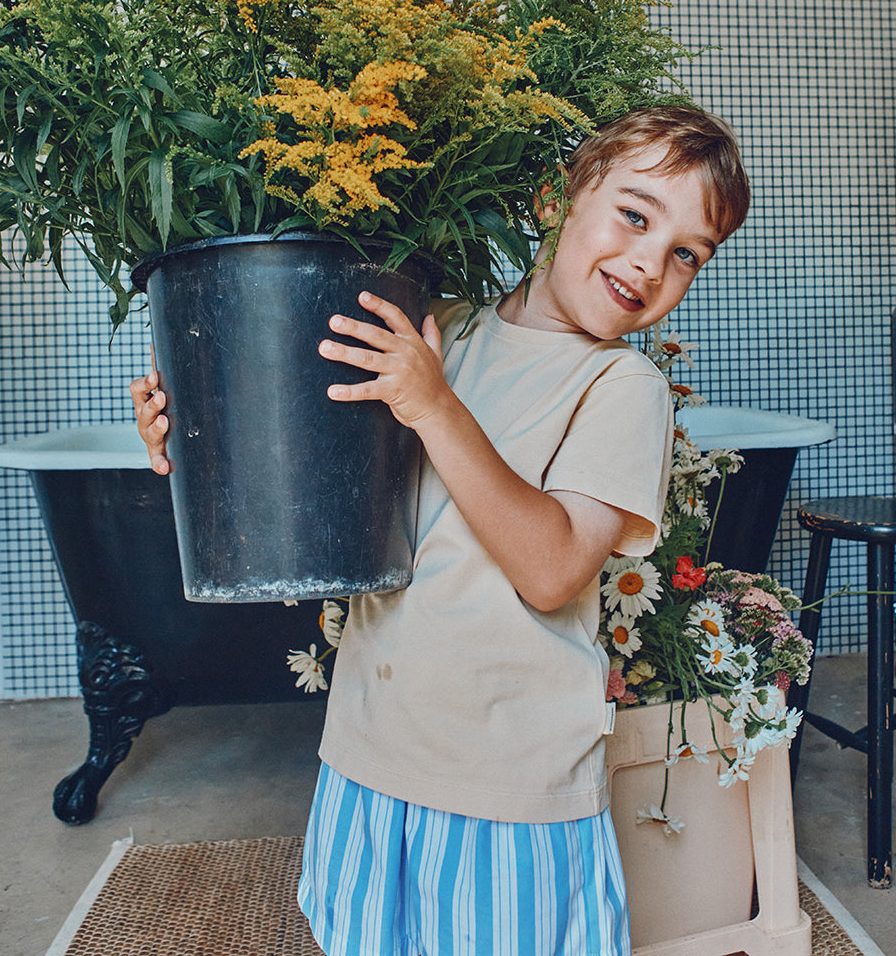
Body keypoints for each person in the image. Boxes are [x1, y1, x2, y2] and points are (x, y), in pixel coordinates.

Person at [131, 103, 750, 956]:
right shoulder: (436, 327)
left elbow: (554, 569)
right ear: (554, 198)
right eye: (635, 216)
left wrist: (433, 405)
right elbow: (298, 448)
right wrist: (189, 429)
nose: (650, 262)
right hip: (370, 752)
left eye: (686, 254)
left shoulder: (620, 387)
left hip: (508, 782)